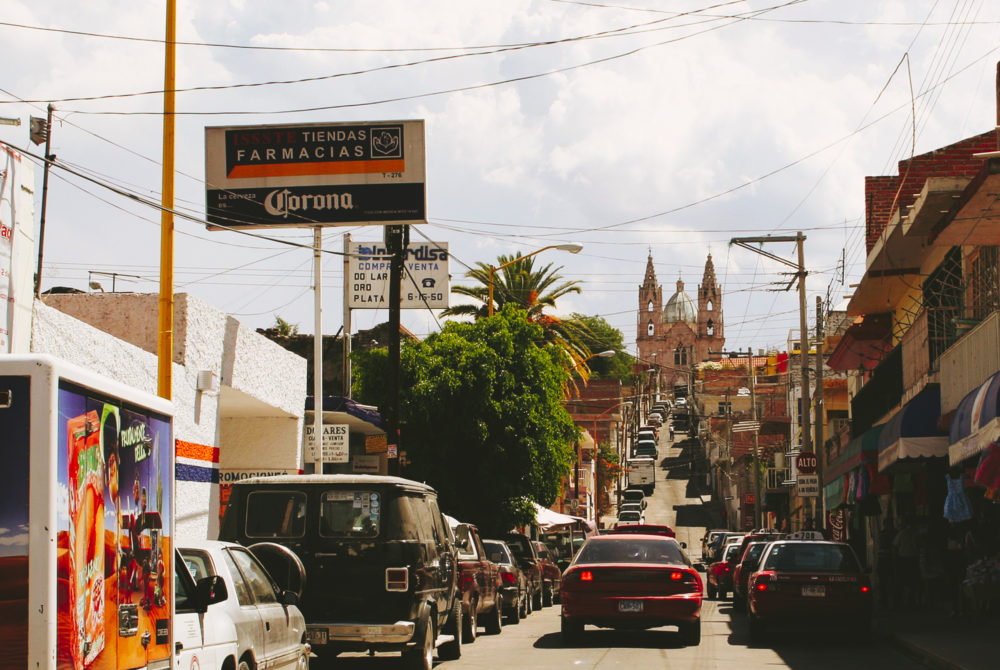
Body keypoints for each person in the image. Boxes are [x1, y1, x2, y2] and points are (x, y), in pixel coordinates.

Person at [894, 516, 921, 607]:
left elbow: (895, 545)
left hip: (903, 559)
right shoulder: (915, 533)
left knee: (902, 581)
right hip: (913, 558)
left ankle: (901, 602)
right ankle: (911, 601)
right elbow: (918, 545)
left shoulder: (902, 533)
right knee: (913, 581)